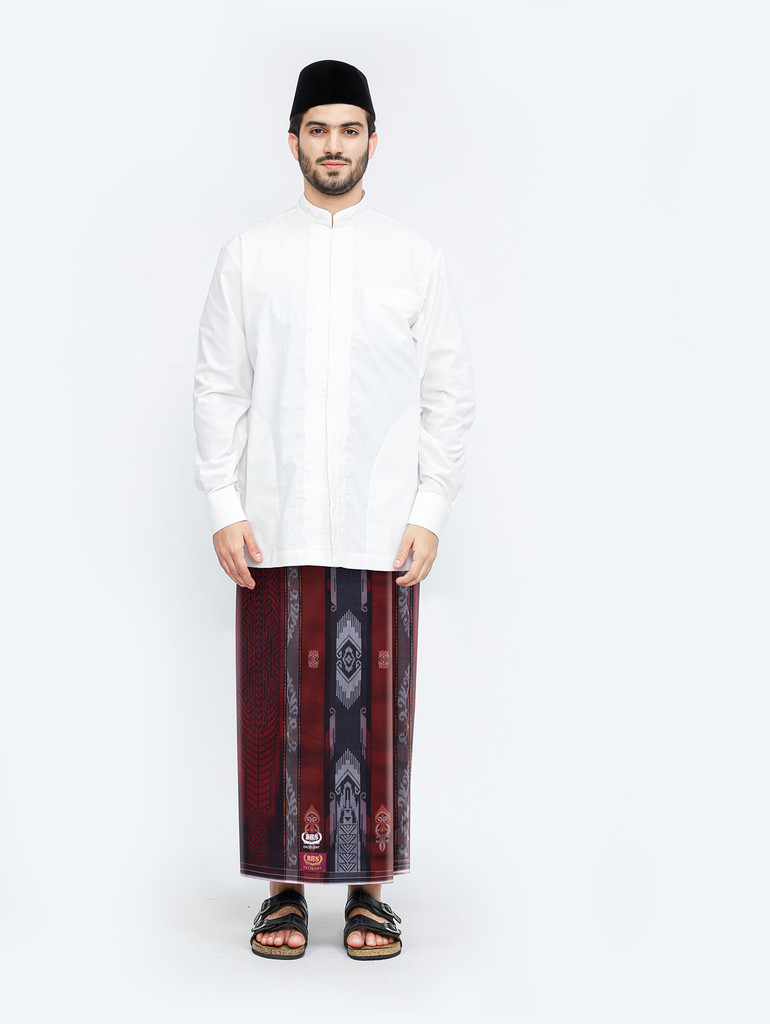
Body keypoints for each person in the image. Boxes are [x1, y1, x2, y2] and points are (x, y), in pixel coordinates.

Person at [192, 59, 475, 961]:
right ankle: (281, 890)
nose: (334, 145)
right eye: (318, 129)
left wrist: (430, 506)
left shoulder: (412, 258)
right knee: (274, 711)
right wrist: (224, 501)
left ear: (373, 141)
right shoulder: (250, 256)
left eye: (350, 129)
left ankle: (369, 894)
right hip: (273, 522)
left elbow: (448, 392)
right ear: (293, 141)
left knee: (374, 715)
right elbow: (218, 386)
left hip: (380, 524)